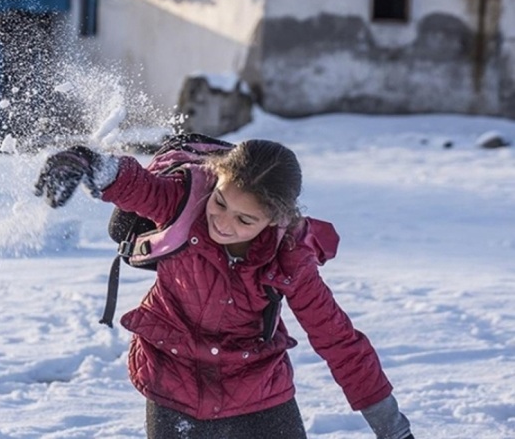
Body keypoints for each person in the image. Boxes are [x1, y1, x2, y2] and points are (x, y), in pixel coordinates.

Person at [33, 140, 414, 439]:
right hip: (172, 379)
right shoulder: (183, 202)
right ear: (215, 180)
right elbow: (135, 185)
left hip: (258, 389)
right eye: (220, 202)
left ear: (277, 220)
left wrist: (391, 427)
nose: (223, 223)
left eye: (245, 219)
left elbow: (339, 341)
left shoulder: (290, 259)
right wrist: (83, 161)